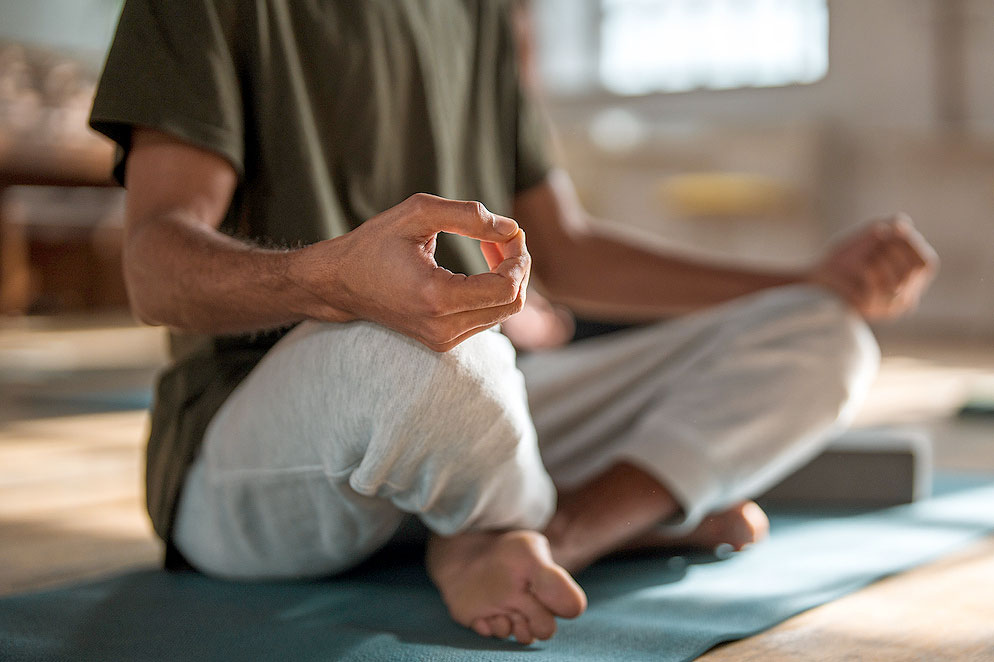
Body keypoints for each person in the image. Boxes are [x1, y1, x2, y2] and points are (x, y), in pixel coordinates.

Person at [89, 0, 936, 646]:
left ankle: (555, 533)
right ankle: (538, 516)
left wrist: (812, 280)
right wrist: (336, 281)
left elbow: (568, 250)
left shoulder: (480, 12)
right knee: (428, 357)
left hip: (478, 411)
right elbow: (153, 268)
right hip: (274, 449)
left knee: (825, 334)